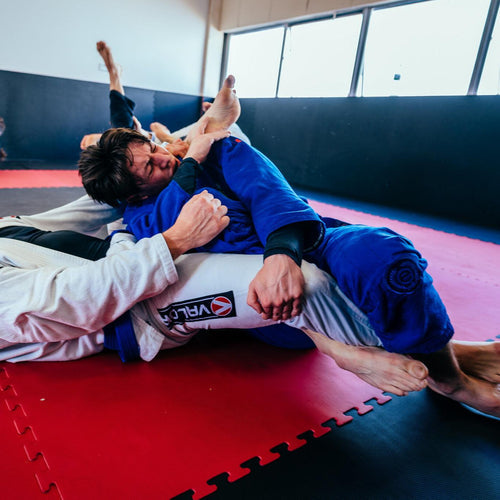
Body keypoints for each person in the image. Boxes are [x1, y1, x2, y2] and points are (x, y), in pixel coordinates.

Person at [78, 97, 500, 419]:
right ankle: (446, 370)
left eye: (154, 147)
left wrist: (281, 252)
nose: (163, 157)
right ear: (133, 195)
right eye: (150, 167)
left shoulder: (220, 152)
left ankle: (445, 372)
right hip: (282, 319)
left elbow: (270, 192)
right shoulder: (143, 219)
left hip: (307, 241)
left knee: (386, 254)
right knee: (311, 291)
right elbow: (168, 216)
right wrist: (193, 157)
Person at [79, 41, 250, 153]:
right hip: (157, 140)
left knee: (123, 133)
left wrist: (162, 137)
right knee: (125, 136)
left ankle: (114, 77)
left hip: (160, 139)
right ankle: (114, 76)